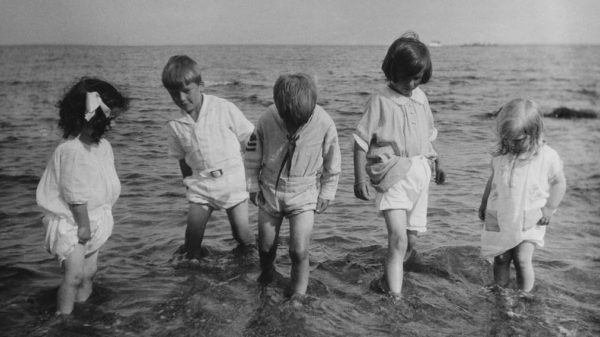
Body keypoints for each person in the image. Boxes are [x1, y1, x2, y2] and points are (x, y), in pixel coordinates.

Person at [353, 32, 445, 300]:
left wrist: (438, 161)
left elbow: (426, 136)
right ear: (393, 70)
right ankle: (395, 297)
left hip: (419, 175)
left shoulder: (420, 97)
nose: (412, 84)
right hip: (391, 174)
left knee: (411, 239)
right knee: (397, 238)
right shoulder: (379, 99)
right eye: (408, 78)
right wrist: (359, 179)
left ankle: (389, 275)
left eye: (418, 78)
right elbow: (360, 141)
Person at [36, 77, 129, 315]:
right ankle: (63, 318)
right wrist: (84, 227)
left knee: (89, 273)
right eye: (109, 120)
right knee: (74, 274)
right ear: (91, 118)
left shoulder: (103, 147)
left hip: (94, 218)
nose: (113, 126)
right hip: (73, 223)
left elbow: (103, 181)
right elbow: (74, 193)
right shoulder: (71, 150)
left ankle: (84, 310)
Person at [245, 73, 341, 299]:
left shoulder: (324, 122)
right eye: (287, 120)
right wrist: (252, 185)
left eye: (298, 122)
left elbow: (332, 160)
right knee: (266, 246)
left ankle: (298, 295)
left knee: (299, 251)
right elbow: (251, 155)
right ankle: (267, 275)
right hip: (269, 190)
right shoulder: (267, 118)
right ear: (278, 108)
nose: (292, 126)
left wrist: (327, 191)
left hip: (305, 191)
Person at [162, 55, 255, 259]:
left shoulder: (223, 108)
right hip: (200, 186)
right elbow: (181, 158)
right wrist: (188, 184)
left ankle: (256, 263)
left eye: (186, 91)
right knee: (192, 240)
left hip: (233, 181)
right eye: (174, 94)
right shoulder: (174, 123)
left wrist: (255, 175)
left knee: (241, 234)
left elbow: (251, 138)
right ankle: (193, 278)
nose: (181, 98)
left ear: (200, 85)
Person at [479, 99, 566, 292]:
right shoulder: (501, 156)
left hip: (530, 215)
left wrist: (550, 208)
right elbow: (493, 180)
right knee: (501, 257)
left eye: (517, 140)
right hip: (502, 214)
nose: (510, 144)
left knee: (522, 259)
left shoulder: (546, 156)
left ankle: (524, 295)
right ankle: (500, 291)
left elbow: (560, 182)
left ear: (533, 133)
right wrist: (484, 203)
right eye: (506, 139)